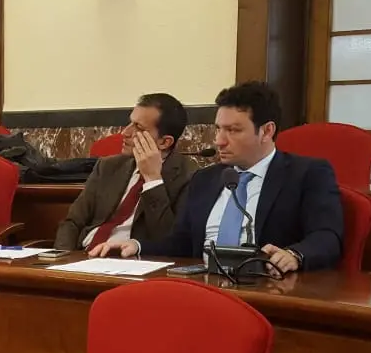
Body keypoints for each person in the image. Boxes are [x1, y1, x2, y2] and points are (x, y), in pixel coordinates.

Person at [91, 81, 344, 273]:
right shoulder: (206, 179)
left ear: (267, 131)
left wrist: (294, 255)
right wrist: (137, 245)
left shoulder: (307, 174)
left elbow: (327, 237)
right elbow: (181, 243)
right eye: (218, 129)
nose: (220, 141)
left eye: (233, 130)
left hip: (265, 287)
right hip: (202, 285)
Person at [55, 93, 197, 251]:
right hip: (84, 253)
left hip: (131, 258)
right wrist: (63, 257)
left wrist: (153, 180)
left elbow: (169, 241)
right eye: (130, 122)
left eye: (138, 127)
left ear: (164, 142)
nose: (125, 132)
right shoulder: (108, 166)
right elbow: (72, 222)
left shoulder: (190, 178)